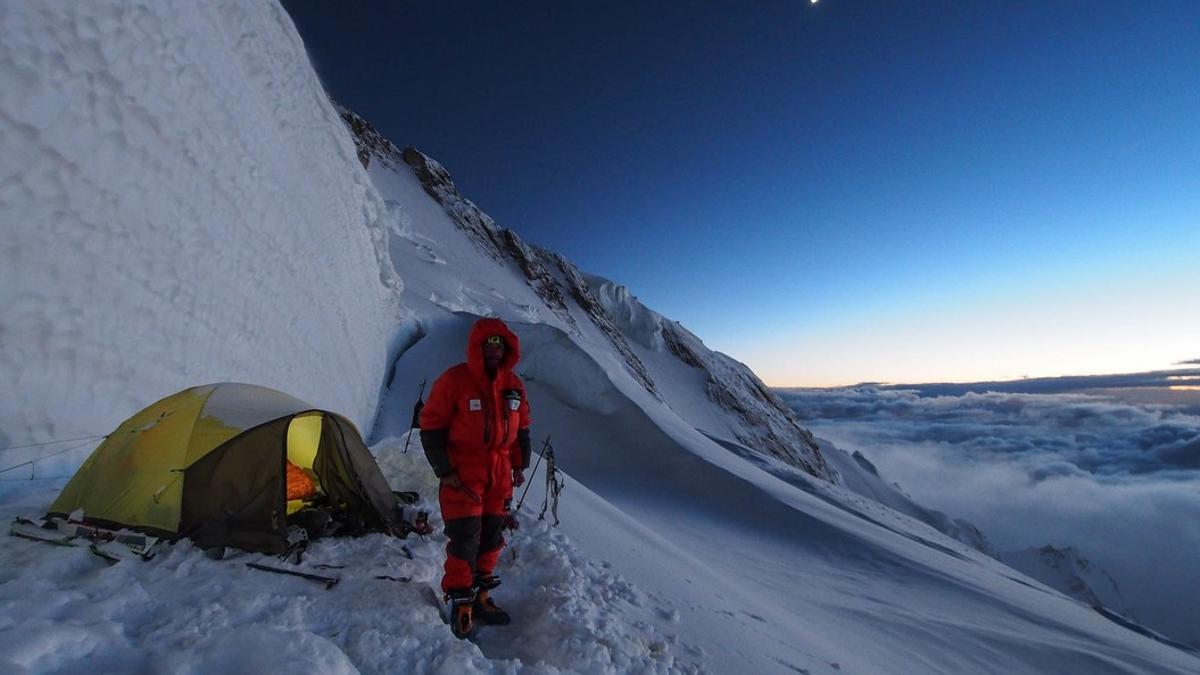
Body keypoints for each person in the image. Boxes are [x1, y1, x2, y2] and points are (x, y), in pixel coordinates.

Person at [419, 317, 532, 639]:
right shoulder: (455, 380)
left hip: (499, 473)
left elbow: (522, 426)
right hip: (464, 474)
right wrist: (445, 470)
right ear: (477, 346)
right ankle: (460, 600)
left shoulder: (514, 385)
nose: (495, 350)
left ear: (507, 349)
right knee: (465, 538)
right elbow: (432, 425)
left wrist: (519, 465)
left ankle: (481, 596)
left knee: (492, 538)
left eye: (501, 344)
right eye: (489, 343)